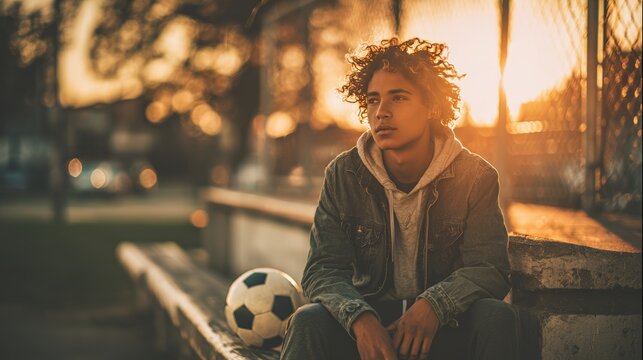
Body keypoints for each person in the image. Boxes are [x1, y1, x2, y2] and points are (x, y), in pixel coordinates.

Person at [281, 38, 519, 360]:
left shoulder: (475, 177)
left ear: (431, 106)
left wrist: (434, 307)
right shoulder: (344, 174)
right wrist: (360, 320)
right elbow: (323, 269)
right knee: (307, 321)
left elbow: (489, 268)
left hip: (441, 328)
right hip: (371, 328)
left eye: (399, 98)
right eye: (373, 100)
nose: (382, 113)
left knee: (497, 317)